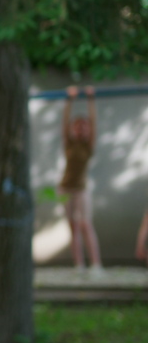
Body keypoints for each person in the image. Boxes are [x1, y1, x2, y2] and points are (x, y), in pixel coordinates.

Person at [59, 85, 102, 273]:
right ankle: (79, 265)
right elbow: (64, 122)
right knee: (72, 226)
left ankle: (96, 265)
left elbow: (94, 122)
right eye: (77, 126)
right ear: (73, 129)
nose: (80, 129)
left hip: (81, 188)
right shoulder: (69, 143)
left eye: (84, 126)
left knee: (85, 224)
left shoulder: (89, 145)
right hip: (64, 188)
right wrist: (70, 99)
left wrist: (91, 99)